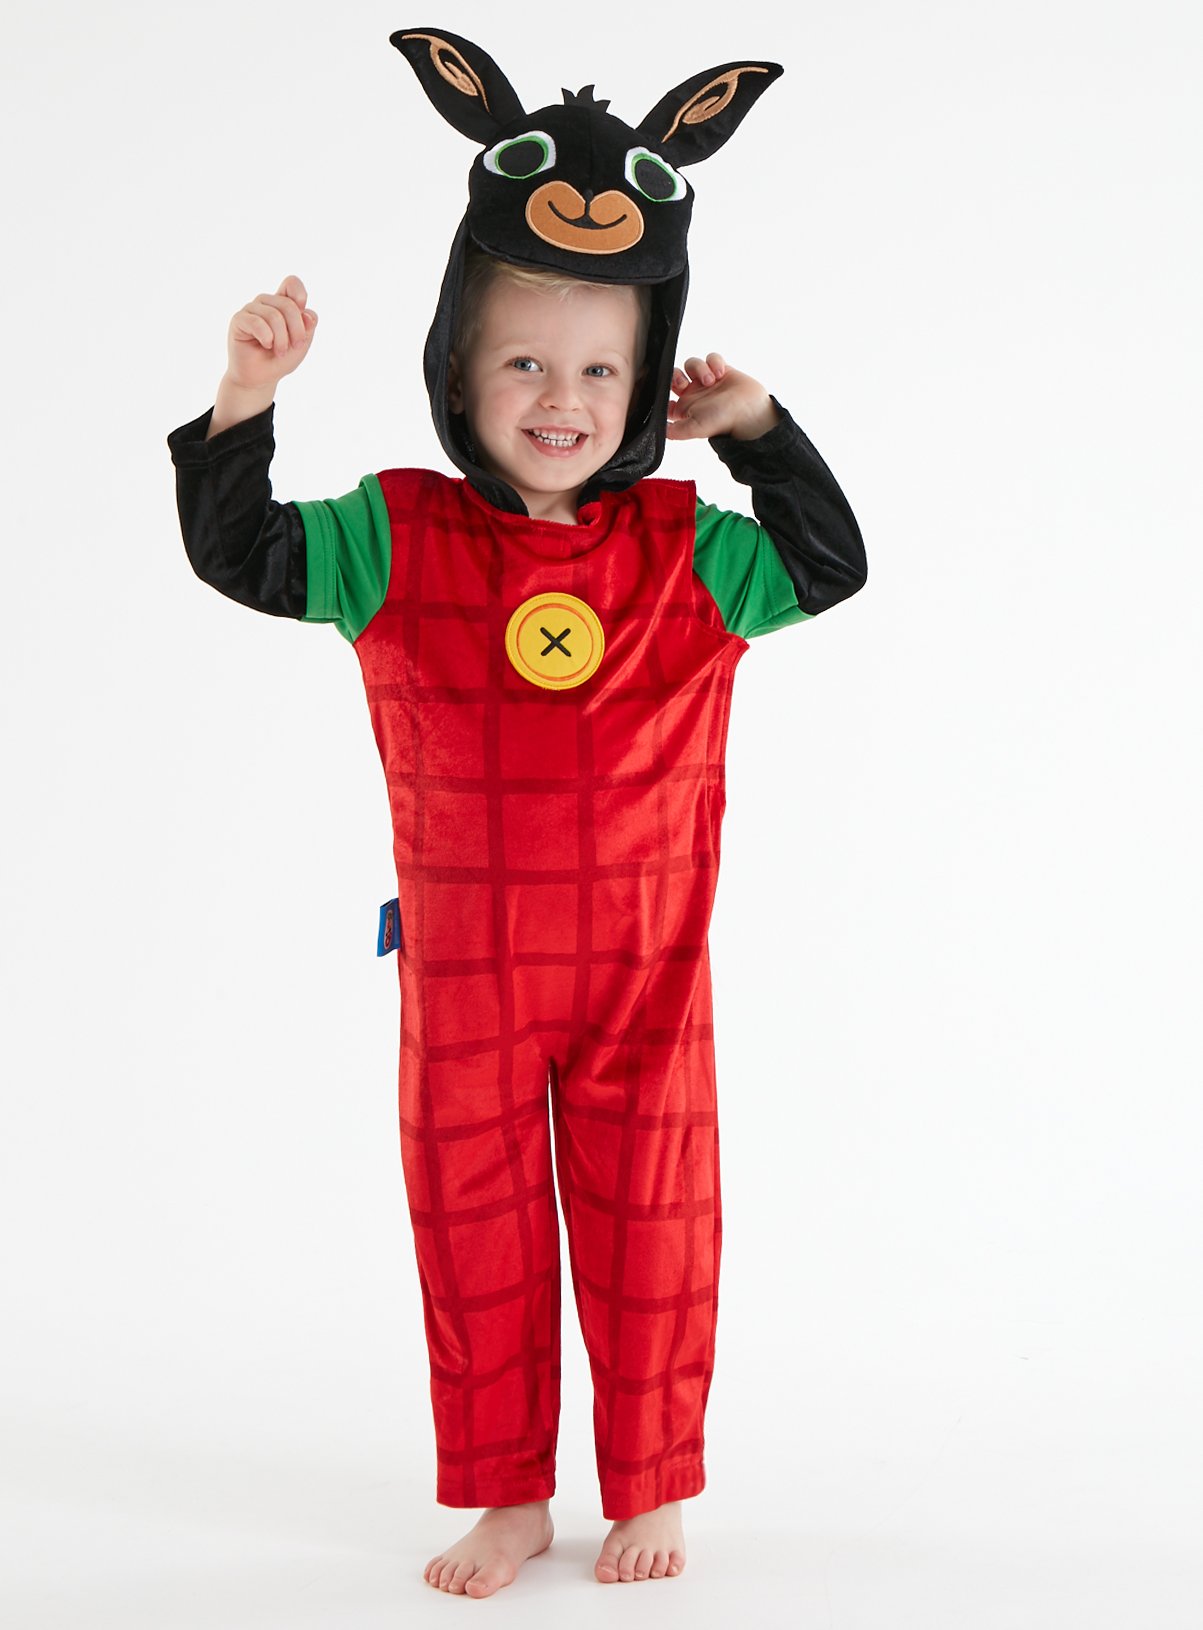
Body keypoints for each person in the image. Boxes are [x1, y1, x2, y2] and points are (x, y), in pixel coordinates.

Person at [167, 28, 867, 1601]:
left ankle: (651, 1477)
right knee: (471, 1230)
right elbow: (239, 551)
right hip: (467, 981)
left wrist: (759, 428)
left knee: (652, 1224)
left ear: (644, 379)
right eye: (525, 364)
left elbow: (831, 563)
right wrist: (244, 395)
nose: (563, 397)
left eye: (601, 369)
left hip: (643, 981)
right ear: (458, 369)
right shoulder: (392, 537)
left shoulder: (694, 553)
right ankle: (503, 1493)